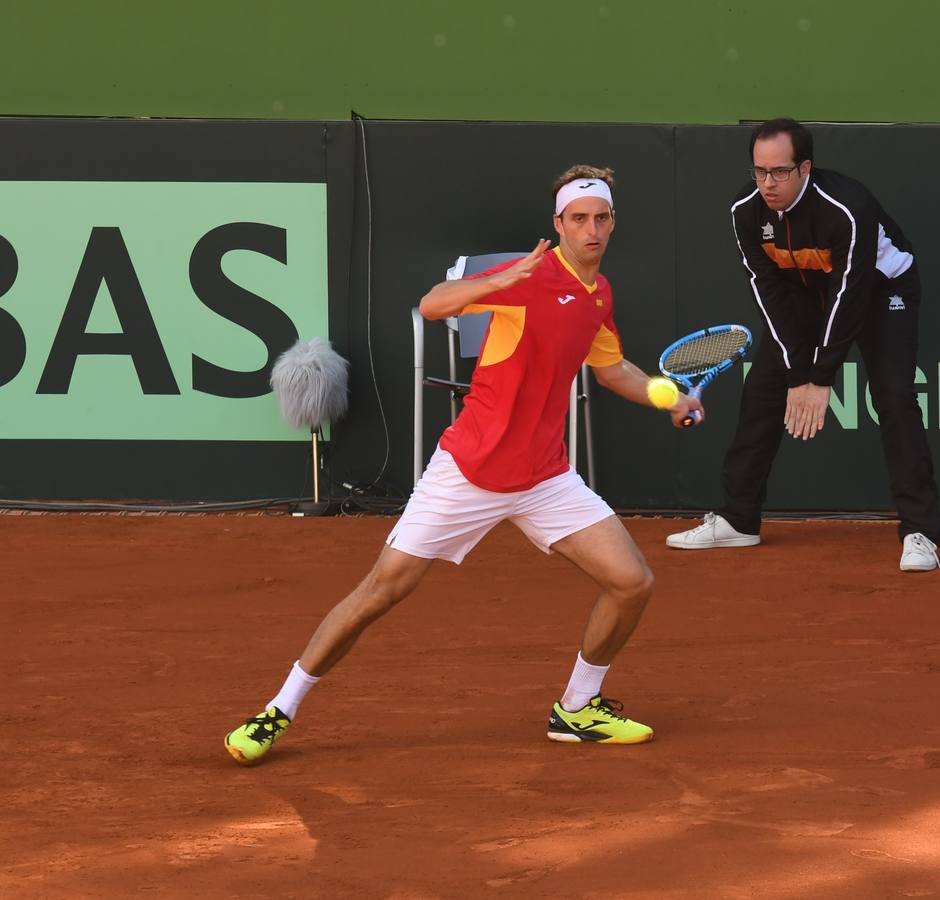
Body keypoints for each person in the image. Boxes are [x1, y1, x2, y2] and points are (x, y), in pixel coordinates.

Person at [225, 165, 704, 764]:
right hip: (468, 470)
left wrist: (669, 397)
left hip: (545, 477)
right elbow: (431, 305)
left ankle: (578, 708)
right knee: (381, 590)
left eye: (600, 218)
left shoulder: (599, 294)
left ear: (612, 223)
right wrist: (505, 277)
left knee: (633, 583)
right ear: (558, 225)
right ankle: (278, 710)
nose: (590, 230)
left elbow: (612, 369)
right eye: (577, 219)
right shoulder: (527, 279)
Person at [666, 118, 940, 571]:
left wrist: (820, 377)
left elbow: (850, 295)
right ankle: (738, 520)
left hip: (880, 291)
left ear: (805, 168)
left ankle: (920, 532)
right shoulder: (745, 212)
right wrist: (797, 372)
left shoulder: (845, 207)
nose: (767, 183)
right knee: (762, 392)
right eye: (758, 171)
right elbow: (769, 295)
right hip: (806, 295)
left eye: (779, 172)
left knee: (893, 396)